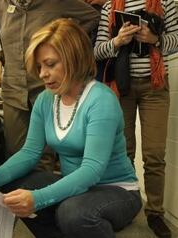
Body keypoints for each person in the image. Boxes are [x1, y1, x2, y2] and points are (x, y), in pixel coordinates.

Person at [0, 18, 142, 237]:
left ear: (74, 59)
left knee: (73, 214)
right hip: (77, 187)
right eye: (40, 66)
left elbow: (92, 170)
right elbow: (30, 152)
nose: (42, 73)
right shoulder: (46, 99)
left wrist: (38, 199)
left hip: (116, 189)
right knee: (12, 187)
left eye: (50, 64)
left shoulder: (101, 100)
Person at [94, 1, 178, 237]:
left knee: (154, 154)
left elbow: (176, 40)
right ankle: (126, 208)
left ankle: (155, 214)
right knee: (124, 153)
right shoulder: (110, 6)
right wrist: (117, 41)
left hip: (156, 86)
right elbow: (97, 51)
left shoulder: (166, 2)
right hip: (122, 88)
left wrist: (155, 39)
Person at [0, 0, 101, 169]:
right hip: (13, 90)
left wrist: (62, 42)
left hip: (46, 89)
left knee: (44, 156)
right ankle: (15, 194)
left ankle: (42, 194)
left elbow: (93, 16)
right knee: (13, 152)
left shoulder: (56, 3)